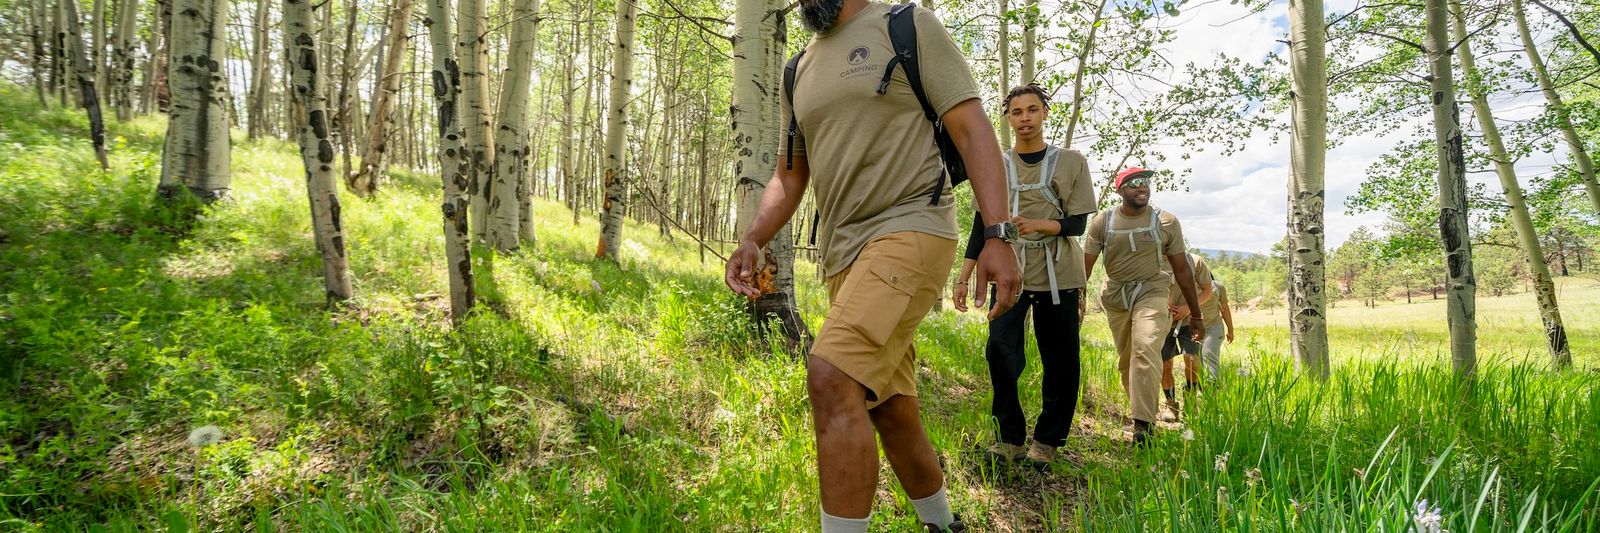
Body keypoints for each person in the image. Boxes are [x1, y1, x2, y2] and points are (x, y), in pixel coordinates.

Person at [724, 1, 1021, 531]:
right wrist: (753, 238)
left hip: (913, 226)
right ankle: (943, 524)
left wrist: (997, 233)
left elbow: (972, 129)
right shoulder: (797, 69)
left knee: (832, 375)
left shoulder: (905, 26)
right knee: (888, 403)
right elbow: (789, 176)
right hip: (843, 254)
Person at [950, 83, 1095, 468]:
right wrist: (964, 275)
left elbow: (1078, 224)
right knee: (1000, 350)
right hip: (1009, 273)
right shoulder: (995, 163)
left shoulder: (1071, 162)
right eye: (1017, 112)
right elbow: (982, 225)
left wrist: (1038, 224)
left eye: (1032, 110)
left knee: (1060, 359)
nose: (1025, 118)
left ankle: (1047, 440)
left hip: (1058, 273)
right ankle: (1009, 437)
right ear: (1009, 118)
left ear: (1045, 113)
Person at [1082, 168, 1205, 445]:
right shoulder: (1103, 222)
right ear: (1120, 190)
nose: (1142, 187)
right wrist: (1076, 298)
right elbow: (1085, 266)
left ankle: (1143, 425)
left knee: (1145, 347)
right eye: (1134, 183)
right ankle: (1142, 410)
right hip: (1116, 295)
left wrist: (1196, 314)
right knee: (1127, 361)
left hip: (1153, 290)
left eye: (1146, 182)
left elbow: (1182, 269)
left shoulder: (1165, 221)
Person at [1157, 252, 1215, 421]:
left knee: (1192, 360)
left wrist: (1188, 307)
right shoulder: (1152, 258)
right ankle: (1170, 404)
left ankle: (1190, 400)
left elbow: (1208, 290)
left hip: (1190, 320)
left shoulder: (1195, 261)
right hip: (1163, 320)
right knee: (1165, 364)